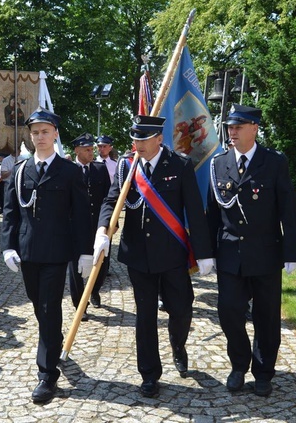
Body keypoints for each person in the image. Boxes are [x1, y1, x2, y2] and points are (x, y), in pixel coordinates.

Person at [95, 114, 211, 398]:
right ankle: (149, 374)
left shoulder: (180, 165)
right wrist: (102, 230)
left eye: (144, 139)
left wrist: (205, 253)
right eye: (135, 139)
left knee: (181, 308)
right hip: (138, 256)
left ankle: (178, 344)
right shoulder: (126, 167)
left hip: (172, 255)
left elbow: (194, 211)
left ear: (159, 138)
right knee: (145, 317)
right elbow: (112, 200)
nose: (139, 144)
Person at [206, 104, 296, 398]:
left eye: (237, 127)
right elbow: (212, 213)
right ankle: (239, 365)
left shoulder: (274, 162)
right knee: (229, 312)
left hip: (265, 252)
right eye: (229, 128)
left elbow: (288, 208)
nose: (231, 132)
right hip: (230, 254)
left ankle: (263, 372)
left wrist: (293, 252)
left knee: (266, 316)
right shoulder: (218, 163)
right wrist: (206, 253)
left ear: (254, 128)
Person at [1, 107, 91, 403]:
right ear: (30, 136)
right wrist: (8, 246)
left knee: (50, 307)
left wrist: (84, 253)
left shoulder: (70, 171)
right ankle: (53, 342)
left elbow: (80, 216)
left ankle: (47, 374)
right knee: (39, 306)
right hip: (27, 251)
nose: (40, 137)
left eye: (45, 132)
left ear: (55, 134)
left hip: (56, 251)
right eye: (35, 132)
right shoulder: (20, 170)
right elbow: (11, 212)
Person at [67, 133, 110, 320]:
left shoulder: (100, 169)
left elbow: (109, 198)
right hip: (74, 228)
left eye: (92, 149)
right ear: (76, 150)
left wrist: (110, 224)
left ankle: (94, 290)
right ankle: (80, 305)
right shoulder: (68, 170)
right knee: (75, 268)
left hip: (97, 226)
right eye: (86, 149)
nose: (91, 152)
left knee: (102, 264)